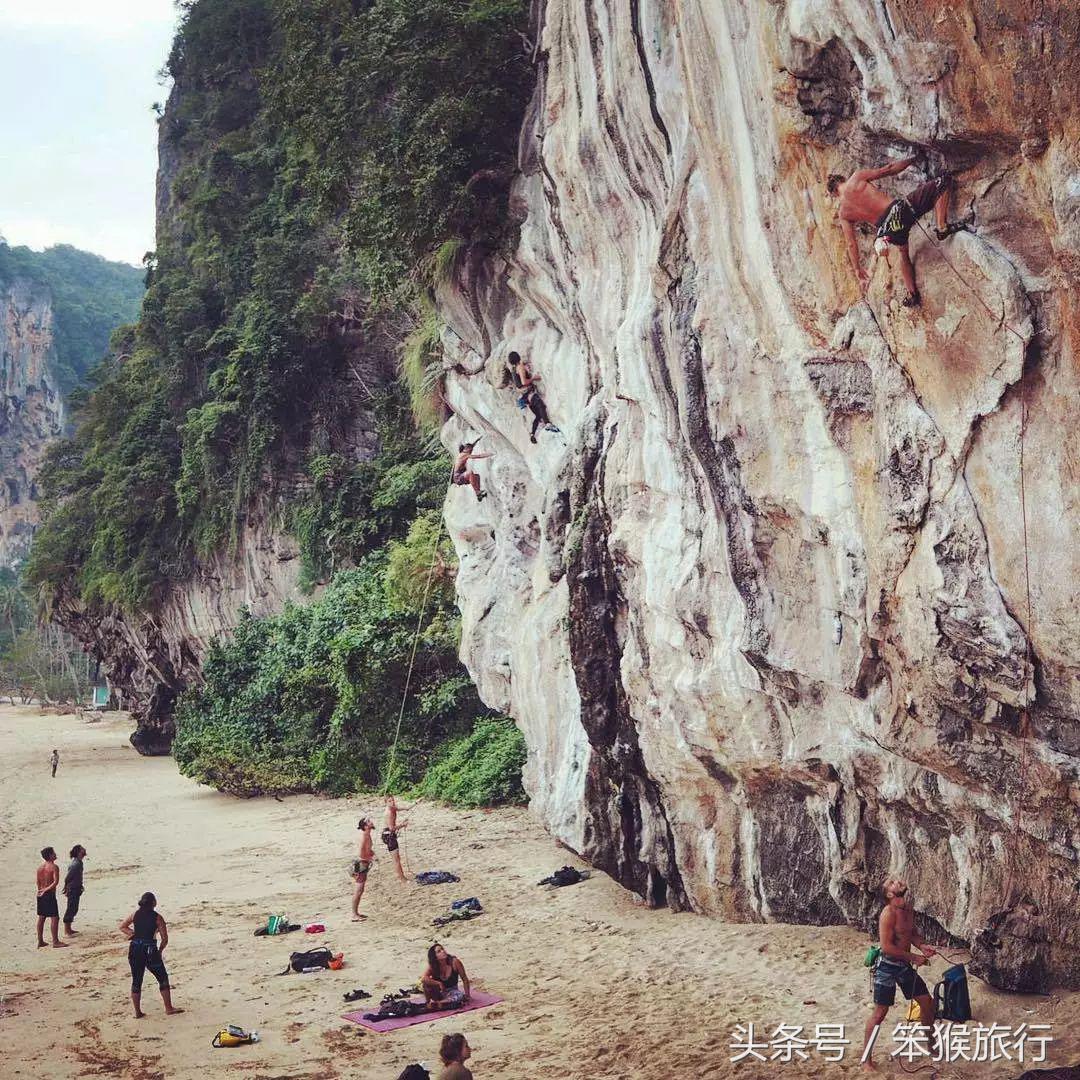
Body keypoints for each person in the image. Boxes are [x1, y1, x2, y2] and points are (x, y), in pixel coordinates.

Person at [828, 159, 969, 307]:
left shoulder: (843, 213)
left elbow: (851, 244)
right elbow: (888, 169)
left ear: (834, 194)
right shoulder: (856, 178)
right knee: (943, 180)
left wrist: (857, 269)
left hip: (888, 229)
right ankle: (942, 227)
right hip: (900, 211)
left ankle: (912, 294)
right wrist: (914, 158)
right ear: (841, 179)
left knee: (903, 252)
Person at [862, 876, 937, 1071]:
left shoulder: (908, 908)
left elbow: (911, 933)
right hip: (887, 966)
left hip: (903, 965)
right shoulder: (887, 914)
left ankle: (931, 1042)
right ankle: (866, 1059)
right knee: (880, 1013)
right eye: (892, 882)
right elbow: (886, 948)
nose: (898, 880)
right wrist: (914, 958)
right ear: (889, 893)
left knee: (926, 1002)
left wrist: (922, 946)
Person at [119, 892, 182, 1018]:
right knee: (162, 977)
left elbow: (122, 926)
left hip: (135, 948)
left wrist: (133, 934)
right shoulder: (157, 917)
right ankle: (168, 1008)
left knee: (136, 980)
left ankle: (137, 1012)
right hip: (149, 949)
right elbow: (165, 939)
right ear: (154, 903)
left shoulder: (135, 914)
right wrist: (160, 950)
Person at [507, 350, 559, 443]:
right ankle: (548, 424)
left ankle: (532, 434)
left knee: (538, 415)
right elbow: (524, 382)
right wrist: (534, 378)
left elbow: (518, 383)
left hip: (524, 397)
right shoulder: (520, 367)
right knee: (541, 406)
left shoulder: (514, 370)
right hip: (529, 392)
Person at [421, 943, 471, 1010]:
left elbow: (464, 979)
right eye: (439, 951)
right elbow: (423, 978)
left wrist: (467, 995)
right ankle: (429, 1002)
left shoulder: (455, 962)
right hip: (439, 992)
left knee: (460, 996)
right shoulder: (433, 965)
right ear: (435, 957)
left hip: (452, 991)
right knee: (426, 984)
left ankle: (439, 1003)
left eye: (442, 949)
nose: (443, 951)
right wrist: (438, 983)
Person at [36, 847, 67, 949]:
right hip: (49, 894)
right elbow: (55, 882)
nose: (55, 854)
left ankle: (40, 941)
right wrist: (46, 890)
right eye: (53, 853)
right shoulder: (54, 867)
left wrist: (41, 890)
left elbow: (38, 882)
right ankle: (55, 941)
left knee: (42, 917)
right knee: (55, 917)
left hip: (40, 894)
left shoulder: (40, 867)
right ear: (50, 855)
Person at [351, 818, 375, 921]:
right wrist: (369, 858)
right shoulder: (365, 836)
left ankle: (356, 913)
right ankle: (354, 914)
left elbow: (367, 849)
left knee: (360, 890)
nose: (371, 821)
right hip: (361, 865)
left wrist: (372, 854)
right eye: (369, 821)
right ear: (365, 826)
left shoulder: (367, 835)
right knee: (358, 890)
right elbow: (361, 853)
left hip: (363, 864)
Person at [382, 795, 409, 882]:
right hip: (389, 836)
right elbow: (392, 828)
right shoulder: (388, 813)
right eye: (389, 801)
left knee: (397, 858)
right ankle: (402, 878)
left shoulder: (393, 808)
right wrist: (403, 825)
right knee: (396, 859)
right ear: (386, 803)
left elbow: (406, 808)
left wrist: (417, 802)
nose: (392, 802)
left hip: (391, 835)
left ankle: (401, 876)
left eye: (393, 800)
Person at [62, 844, 87, 936]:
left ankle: (69, 928)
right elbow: (68, 877)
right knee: (71, 908)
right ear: (79, 852)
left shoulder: (79, 862)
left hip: (76, 888)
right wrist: (66, 887)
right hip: (72, 889)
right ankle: (67, 930)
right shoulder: (76, 864)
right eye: (82, 849)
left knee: (74, 908)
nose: (84, 850)